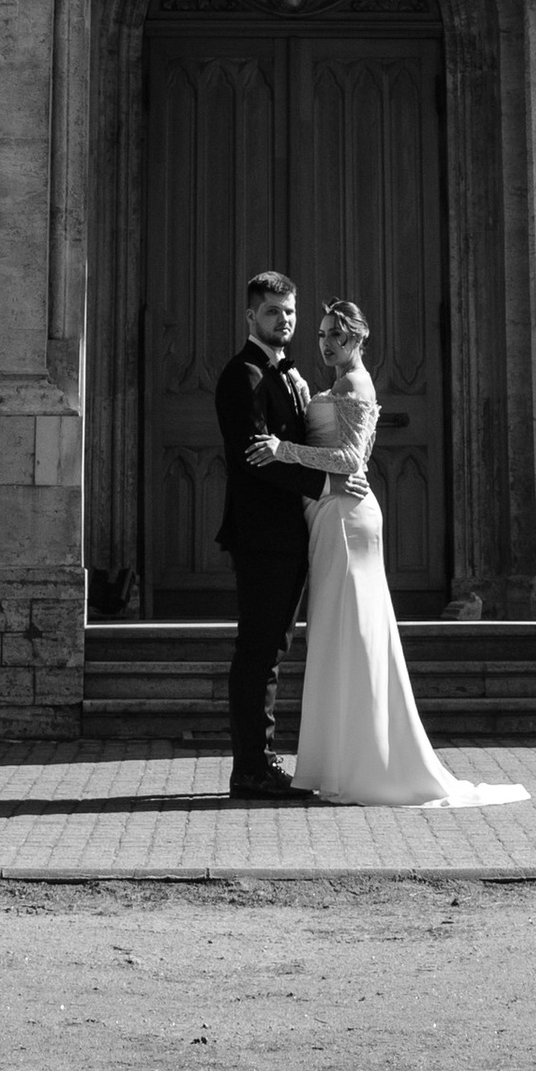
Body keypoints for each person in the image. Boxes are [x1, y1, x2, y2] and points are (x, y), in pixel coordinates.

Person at [249, 297, 528, 810]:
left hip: (347, 518)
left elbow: (351, 457)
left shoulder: (356, 384)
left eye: (337, 335)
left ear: (358, 338)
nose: (327, 343)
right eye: (322, 334)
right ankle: (338, 762)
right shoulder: (334, 385)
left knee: (353, 634)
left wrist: (281, 449)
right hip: (328, 514)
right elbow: (340, 444)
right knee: (336, 635)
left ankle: (365, 764)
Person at [213, 267, 314, 802]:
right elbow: (258, 457)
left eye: (290, 312)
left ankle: (258, 762)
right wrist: (324, 483)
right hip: (262, 534)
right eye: (273, 311)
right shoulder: (243, 374)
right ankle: (252, 767)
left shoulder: (285, 373)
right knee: (259, 650)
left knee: (273, 646)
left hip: (289, 533)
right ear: (251, 315)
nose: (284, 320)